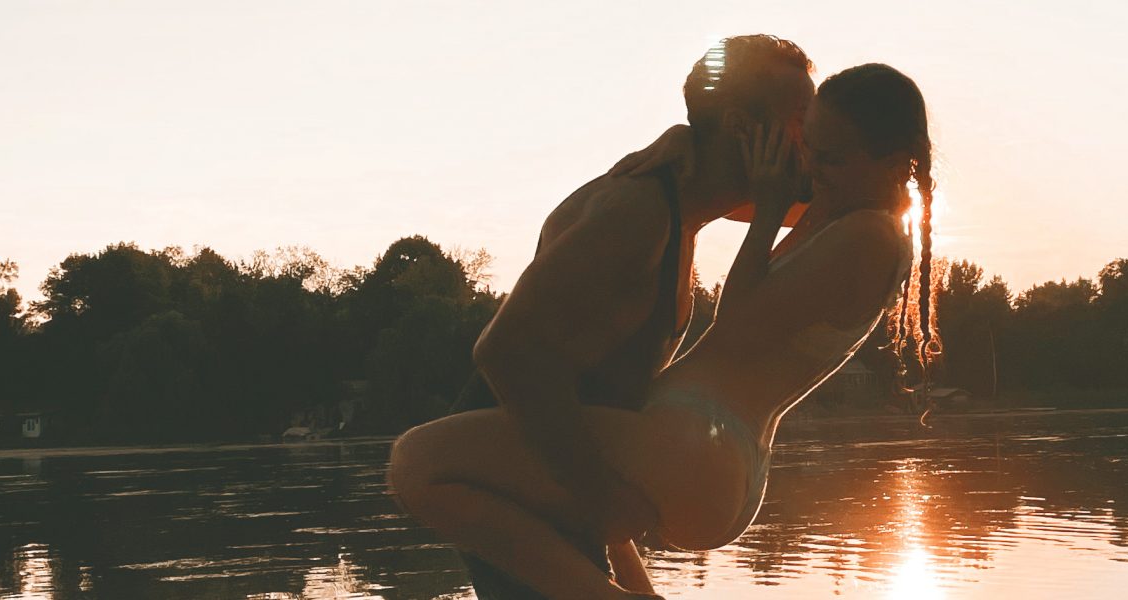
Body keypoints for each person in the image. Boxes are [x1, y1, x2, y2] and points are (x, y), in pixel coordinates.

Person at [389, 63, 940, 599]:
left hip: (698, 445)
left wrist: (769, 207)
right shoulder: (848, 207)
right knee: (518, 487)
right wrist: (684, 138)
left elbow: (739, 319)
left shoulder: (867, 235)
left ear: (892, 163)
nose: (808, 164)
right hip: (700, 451)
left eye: (828, 156)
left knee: (418, 463)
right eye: (807, 141)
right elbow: (721, 188)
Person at [421, 35, 815, 600]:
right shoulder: (639, 212)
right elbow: (506, 352)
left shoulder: (685, 196)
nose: (817, 137)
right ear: (740, 127)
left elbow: (828, 204)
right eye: (804, 118)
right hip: (516, 487)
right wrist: (602, 500)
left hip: (561, 488)